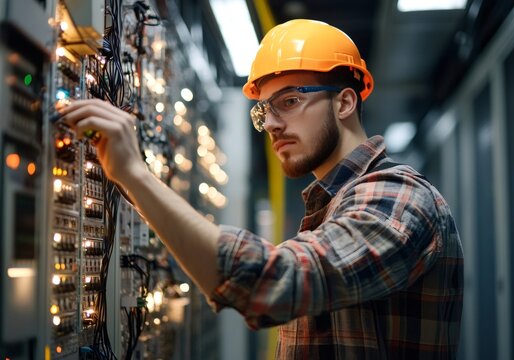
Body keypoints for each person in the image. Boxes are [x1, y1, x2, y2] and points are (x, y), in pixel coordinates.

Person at [62, 19, 463, 359]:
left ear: (344, 104)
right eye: (264, 110)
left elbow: (272, 284)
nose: (270, 124)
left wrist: (135, 174)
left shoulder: (397, 198)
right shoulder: (333, 205)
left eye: (288, 101)